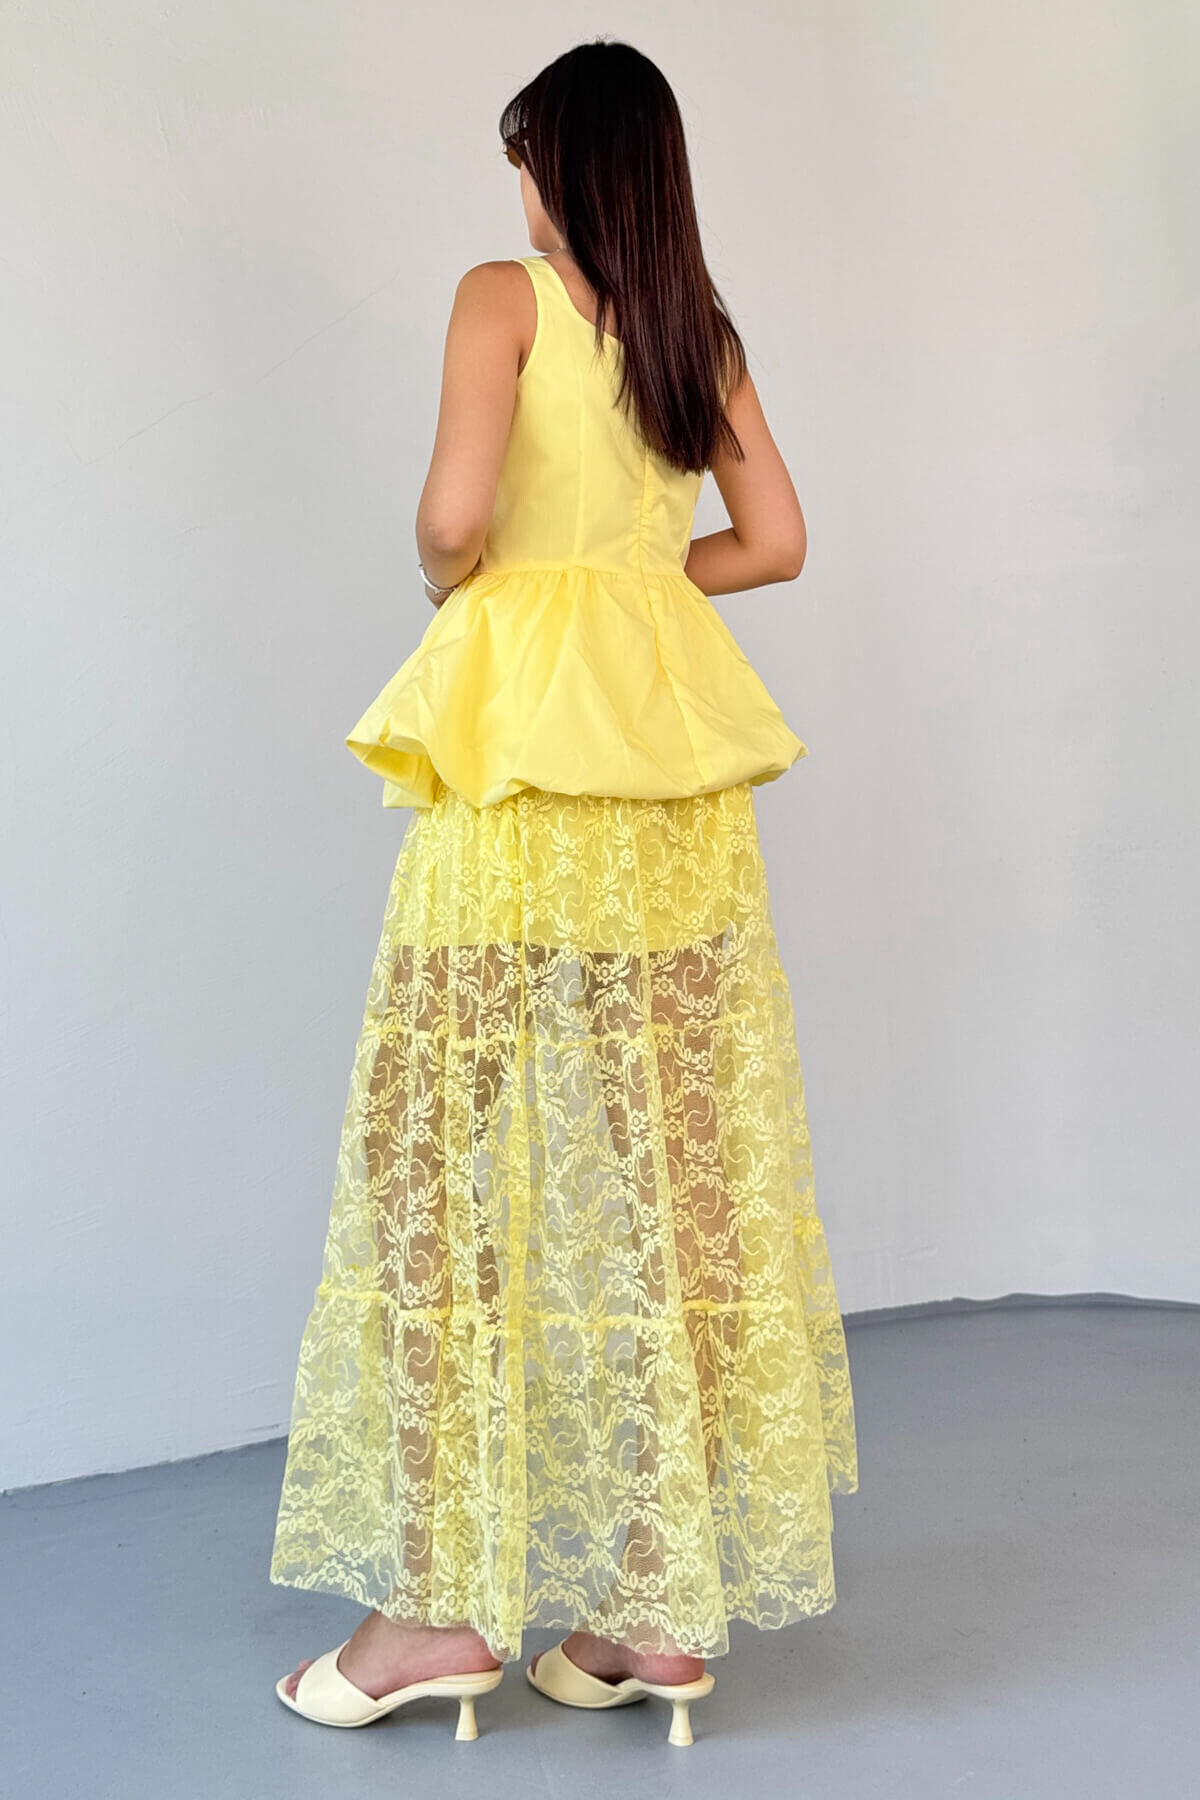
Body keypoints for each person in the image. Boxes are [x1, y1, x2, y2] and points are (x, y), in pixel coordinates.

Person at [269, 37, 858, 1749]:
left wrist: (486, 578)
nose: (513, 189)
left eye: (521, 157)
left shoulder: (501, 299)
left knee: (434, 1163)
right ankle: (657, 1612)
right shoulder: (696, 330)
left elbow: (454, 523)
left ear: (558, 166)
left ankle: (434, 1609)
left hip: (521, 776)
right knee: (683, 1174)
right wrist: (637, 585)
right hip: (668, 795)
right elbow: (778, 539)